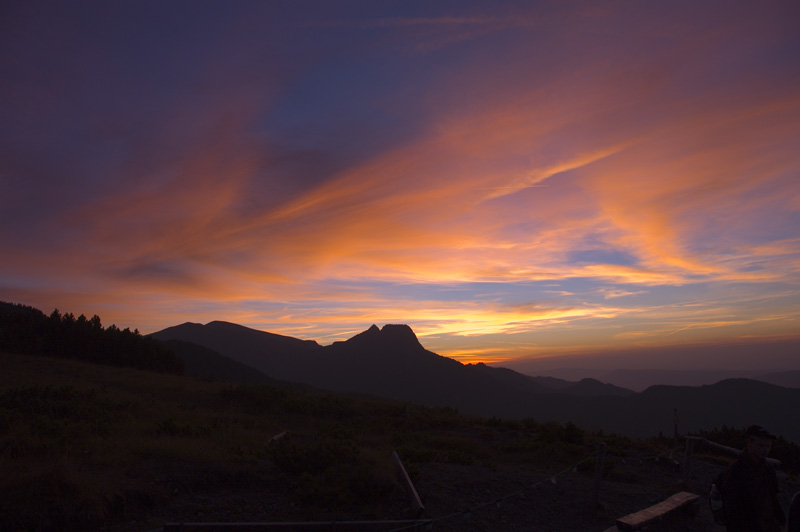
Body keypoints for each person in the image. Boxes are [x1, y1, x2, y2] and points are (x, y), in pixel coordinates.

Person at [721, 425, 786, 532]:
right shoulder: (736, 471)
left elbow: (773, 499)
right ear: (749, 443)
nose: (765, 450)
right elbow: (732, 507)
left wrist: (781, 521)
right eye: (761, 445)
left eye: (768, 446)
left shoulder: (768, 469)